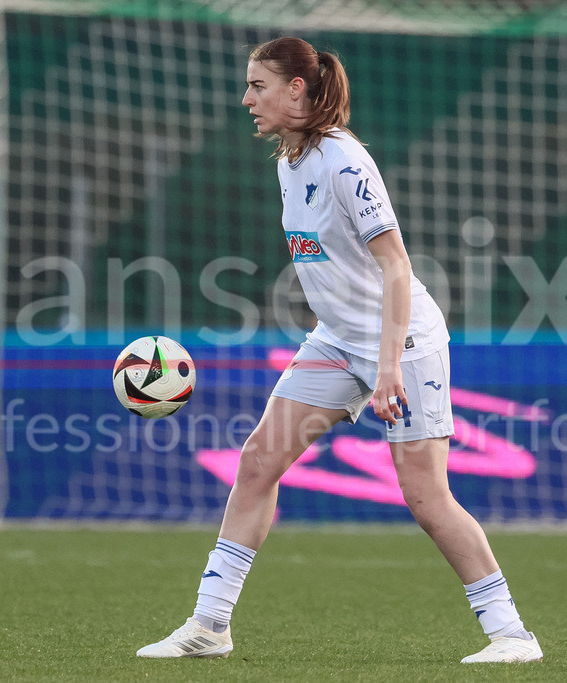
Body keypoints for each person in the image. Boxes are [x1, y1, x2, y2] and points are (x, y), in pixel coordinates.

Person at [136, 36, 542, 664]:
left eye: (257, 86)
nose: (246, 98)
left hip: (401, 343)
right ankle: (210, 625)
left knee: (426, 497)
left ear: (297, 88)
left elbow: (398, 269)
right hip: (335, 341)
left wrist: (385, 371)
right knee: (257, 462)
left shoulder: (344, 163)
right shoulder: (288, 160)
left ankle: (512, 635)